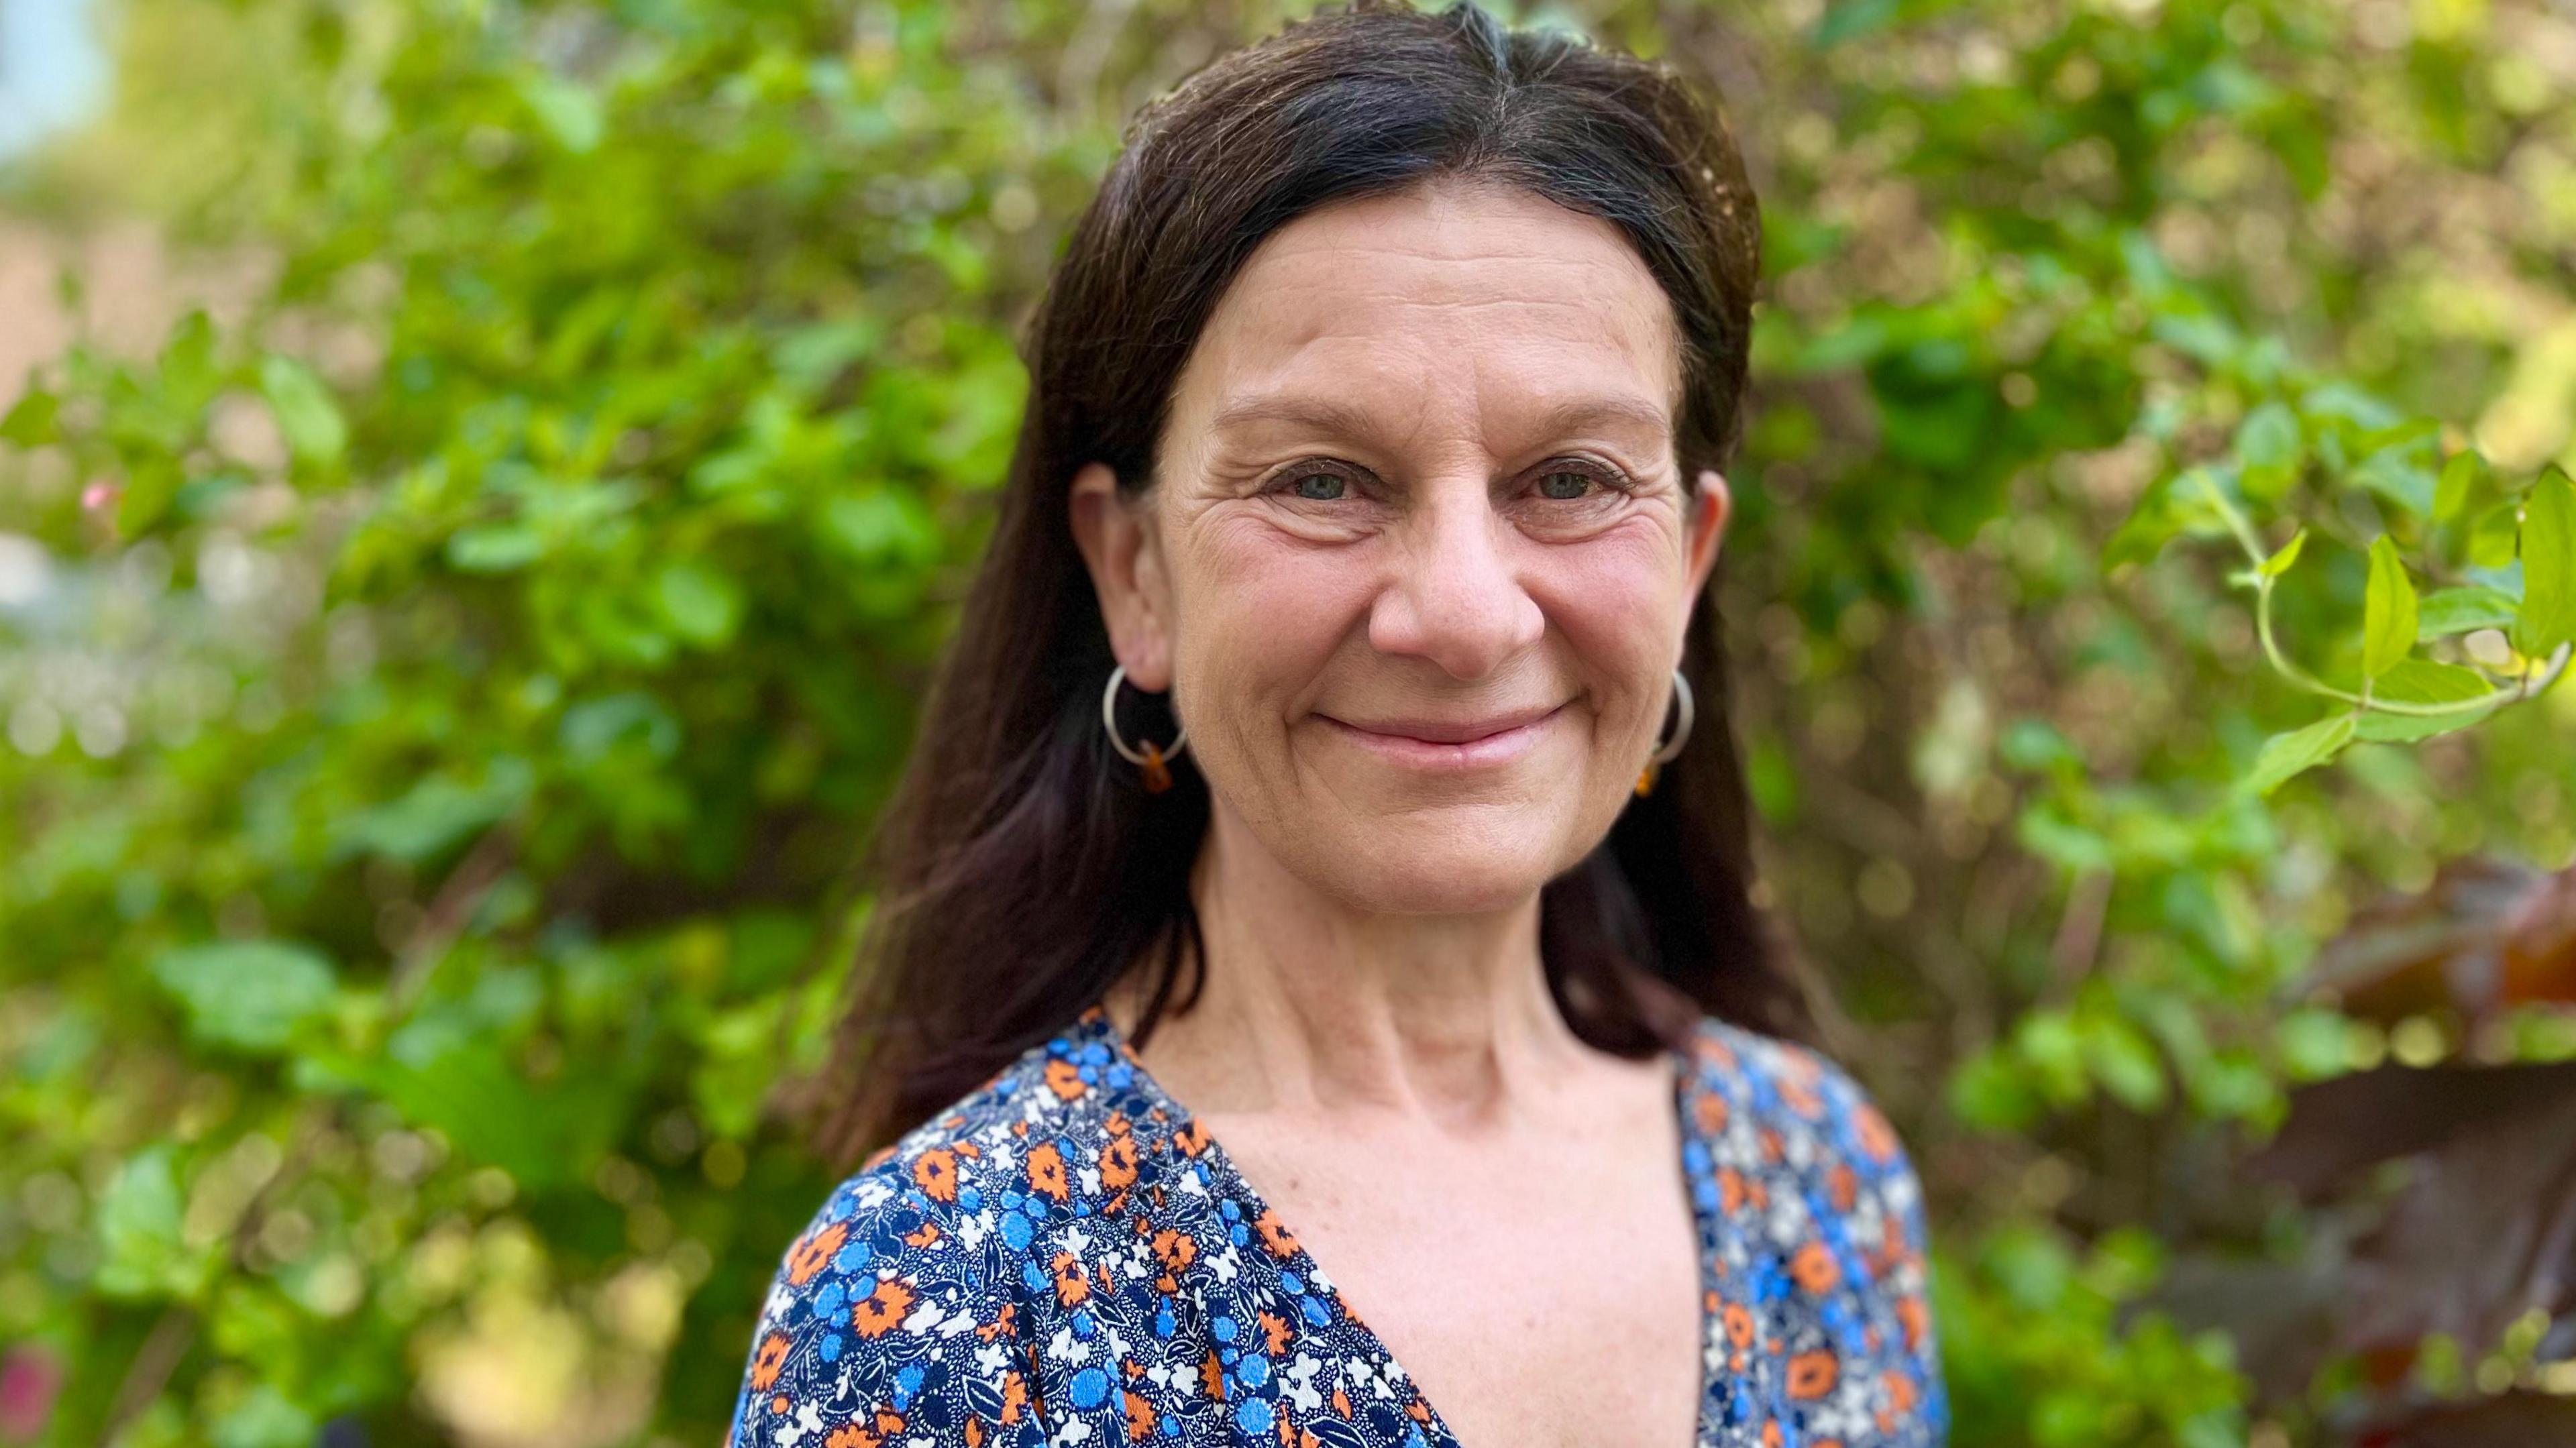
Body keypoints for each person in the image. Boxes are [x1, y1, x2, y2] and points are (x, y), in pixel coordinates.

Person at [725, 2, 1947, 1444]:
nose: (1464, 612)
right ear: (1135, 571)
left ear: (1689, 562)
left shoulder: (1815, 1187)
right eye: (1321, 480)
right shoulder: (952, 1309)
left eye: (1568, 479)